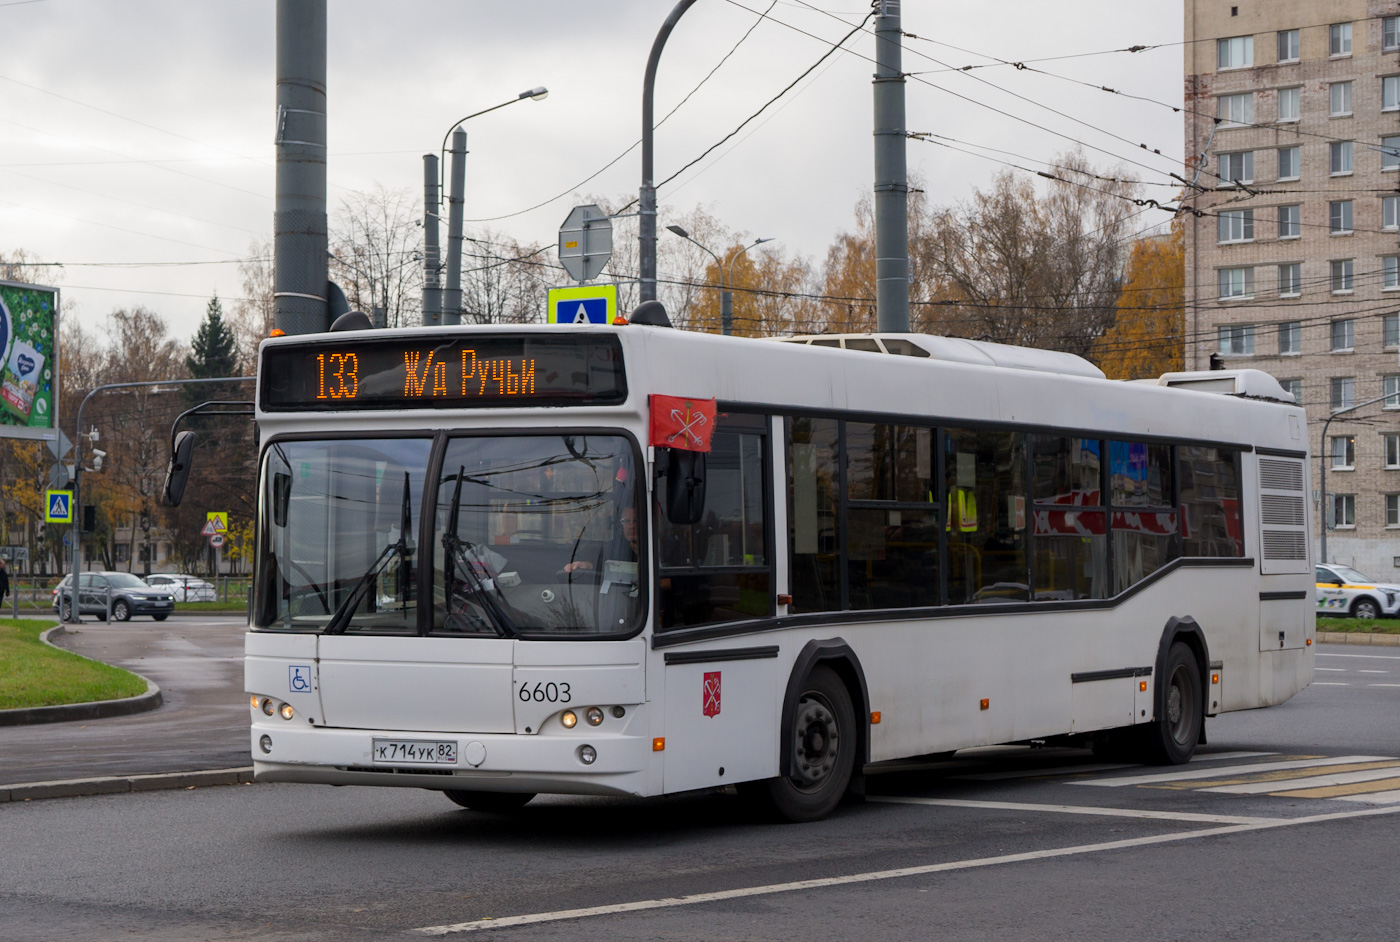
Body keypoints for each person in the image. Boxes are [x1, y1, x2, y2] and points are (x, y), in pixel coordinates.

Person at [563, 505, 638, 572]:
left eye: (635, 521)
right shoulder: (615, 547)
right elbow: (598, 564)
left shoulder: (649, 546)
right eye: (627, 521)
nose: (631, 526)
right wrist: (583, 564)